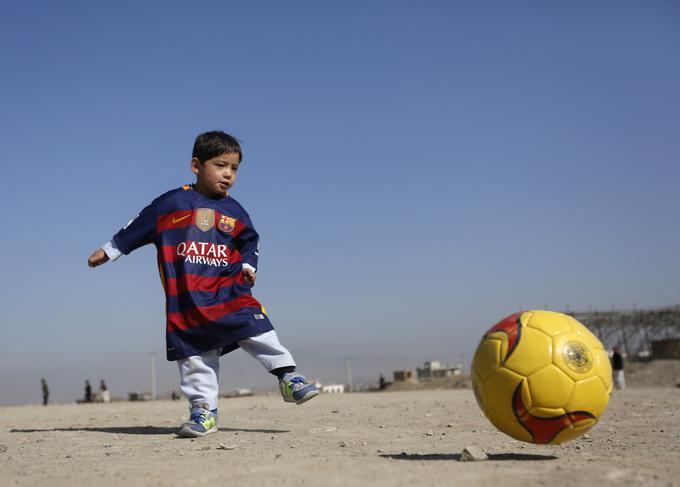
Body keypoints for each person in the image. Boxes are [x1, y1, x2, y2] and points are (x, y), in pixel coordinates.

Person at [87, 131, 318, 437]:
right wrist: (110, 250)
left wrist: (248, 265)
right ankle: (204, 412)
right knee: (195, 357)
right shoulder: (171, 203)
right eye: (221, 165)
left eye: (234, 168)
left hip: (228, 290)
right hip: (187, 301)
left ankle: (288, 377)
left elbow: (250, 242)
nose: (228, 174)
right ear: (196, 165)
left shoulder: (236, 211)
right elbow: (137, 226)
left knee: (258, 328)